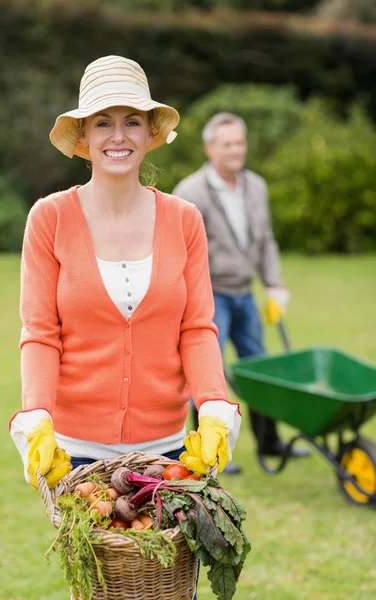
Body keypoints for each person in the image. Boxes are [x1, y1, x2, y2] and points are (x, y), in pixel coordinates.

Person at [9, 56, 241, 598]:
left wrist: (213, 407)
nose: (119, 135)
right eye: (103, 122)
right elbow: (40, 332)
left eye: (132, 120)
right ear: (84, 137)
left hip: (165, 456)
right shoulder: (50, 218)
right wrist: (37, 418)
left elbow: (197, 328)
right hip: (77, 456)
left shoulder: (185, 220)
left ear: (150, 133)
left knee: (165, 588)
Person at [173, 112, 310, 474]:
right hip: (210, 297)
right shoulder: (190, 192)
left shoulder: (256, 186)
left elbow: (265, 240)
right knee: (207, 374)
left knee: (259, 370)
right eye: (227, 143)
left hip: (245, 295)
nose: (235, 150)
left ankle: (270, 442)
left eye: (239, 142)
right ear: (209, 148)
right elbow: (178, 251)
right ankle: (207, 451)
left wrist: (275, 285)